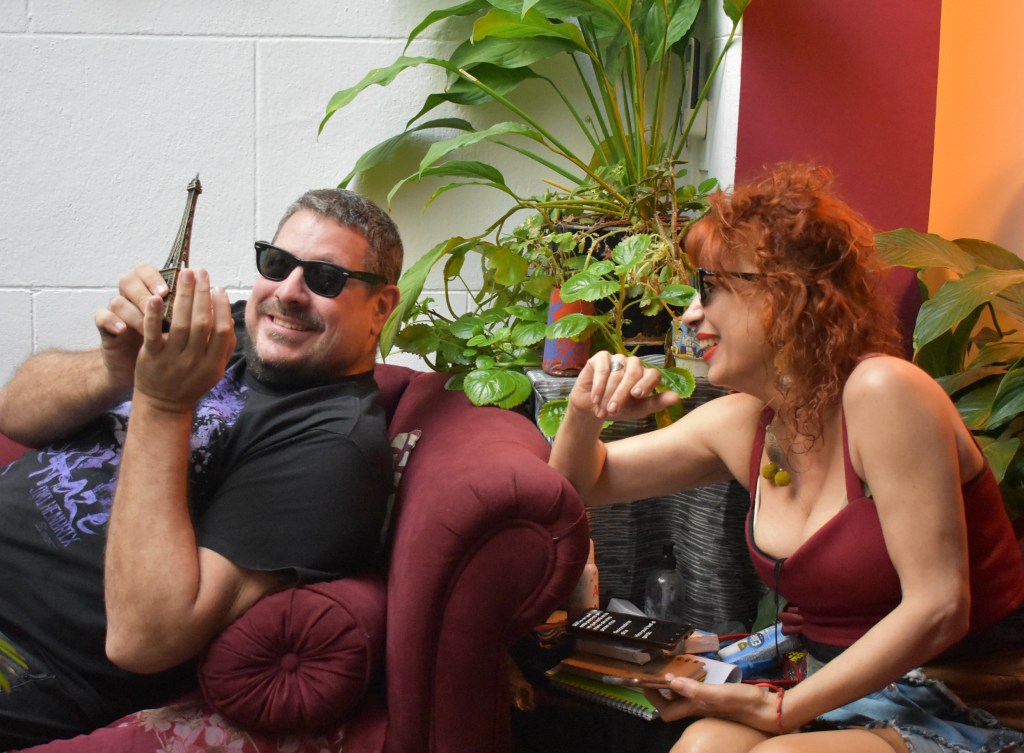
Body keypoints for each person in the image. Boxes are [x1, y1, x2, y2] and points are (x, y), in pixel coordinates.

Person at [549, 163, 1024, 753]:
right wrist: (586, 409)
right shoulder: (745, 421)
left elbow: (941, 607)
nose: (690, 314)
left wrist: (781, 712)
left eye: (710, 289)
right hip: (829, 684)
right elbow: (577, 488)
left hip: (963, 691)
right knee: (703, 746)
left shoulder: (884, 392)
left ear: (786, 294)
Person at [0, 188, 402, 749]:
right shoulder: (229, 331)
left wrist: (163, 403)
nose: (288, 292)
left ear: (380, 307)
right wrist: (114, 368)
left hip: (29, 653)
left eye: (325, 278)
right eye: (277, 264)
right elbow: (14, 413)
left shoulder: (334, 445)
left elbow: (144, 639)